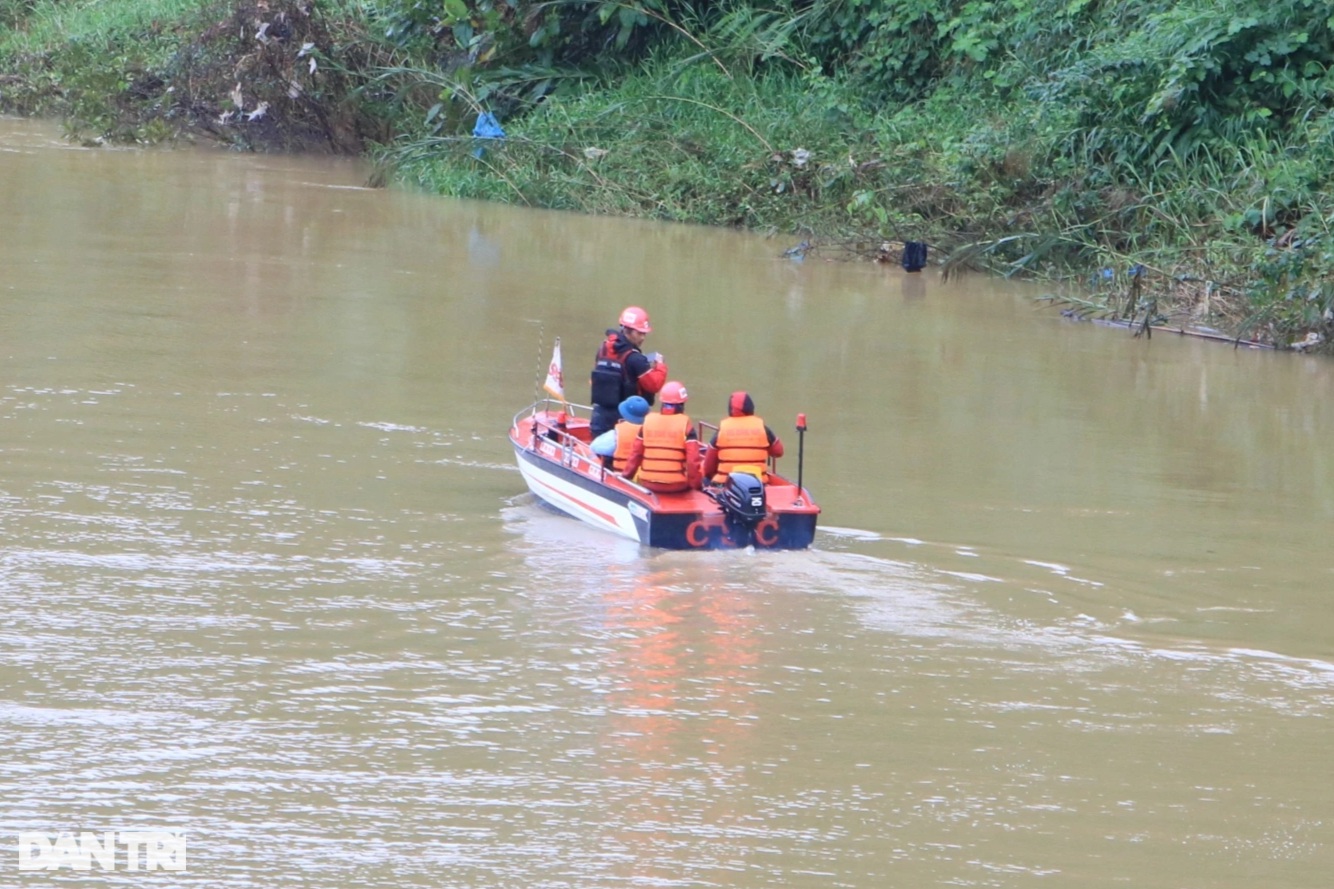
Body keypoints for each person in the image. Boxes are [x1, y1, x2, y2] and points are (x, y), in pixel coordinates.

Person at [588, 306, 667, 438]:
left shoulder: (603, 348)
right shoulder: (636, 359)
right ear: (627, 330)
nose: (643, 338)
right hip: (627, 418)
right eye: (639, 333)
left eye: (644, 333)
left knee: (599, 452)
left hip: (600, 416)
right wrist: (660, 365)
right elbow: (654, 385)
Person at [622, 381, 702, 493]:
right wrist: (696, 486)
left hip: (648, 483)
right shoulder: (686, 426)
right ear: (681, 405)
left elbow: (636, 454)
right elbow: (692, 462)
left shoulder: (648, 422)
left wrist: (625, 476)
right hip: (677, 486)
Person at [703, 390, 785, 484]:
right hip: (759, 483)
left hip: (726, 484)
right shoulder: (762, 428)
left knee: (705, 480)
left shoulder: (722, 429)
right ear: (751, 407)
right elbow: (779, 452)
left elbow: (708, 466)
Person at [591, 395, 649, 473]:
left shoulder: (616, 434)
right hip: (642, 475)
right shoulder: (650, 431)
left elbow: (595, 447)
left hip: (621, 475)